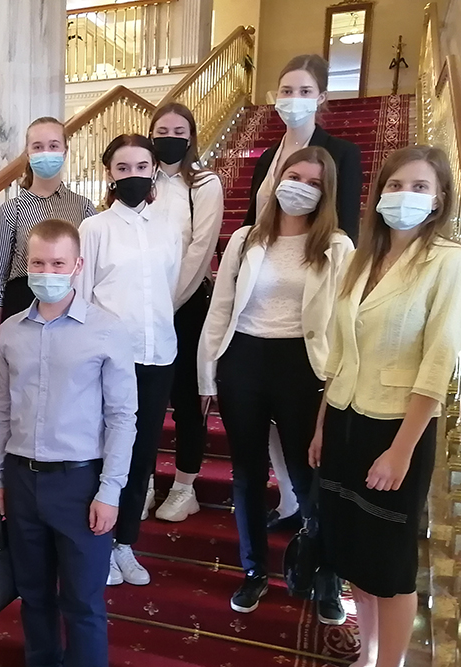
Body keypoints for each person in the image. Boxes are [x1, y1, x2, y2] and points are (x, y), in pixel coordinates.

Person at [308, 146, 461, 667]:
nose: (405, 194)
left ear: (439, 199)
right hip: (346, 415)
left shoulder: (452, 262)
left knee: (389, 561)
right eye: (396, 184)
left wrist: (401, 449)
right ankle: (367, 659)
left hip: (396, 427)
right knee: (352, 550)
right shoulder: (365, 257)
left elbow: (439, 360)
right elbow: (338, 352)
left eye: (420, 186)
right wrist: (323, 424)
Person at [0, 218, 137, 667]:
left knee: (82, 598)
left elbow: (123, 417)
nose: (46, 272)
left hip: (80, 482)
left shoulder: (106, 329)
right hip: (22, 478)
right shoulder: (11, 332)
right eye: (38, 263)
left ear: (76, 266)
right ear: (26, 266)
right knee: (33, 591)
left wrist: (111, 490)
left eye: (57, 263)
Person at [199, 147, 354, 619]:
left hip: (301, 364)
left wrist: (337, 382)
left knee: (307, 474)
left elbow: (344, 322)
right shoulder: (246, 238)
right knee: (247, 473)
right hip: (243, 360)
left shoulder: (337, 247)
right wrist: (207, 373)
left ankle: (325, 576)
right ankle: (254, 571)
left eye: (313, 182)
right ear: (277, 179)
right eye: (294, 176)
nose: (301, 187)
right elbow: (221, 307)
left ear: (325, 193)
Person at [243, 54, 364, 532]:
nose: (293, 100)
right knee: (268, 427)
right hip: (264, 291)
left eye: (304, 91)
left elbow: (345, 226)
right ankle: (288, 500)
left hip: (311, 295)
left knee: (302, 433)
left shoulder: (341, 152)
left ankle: (313, 521)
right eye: (286, 90)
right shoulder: (267, 158)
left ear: (321, 98)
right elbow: (254, 224)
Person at [77, 134, 182, 587]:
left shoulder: (168, 227)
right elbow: (81, 297)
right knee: (104, 451)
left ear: (153, 170)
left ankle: (125, 544)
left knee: (142, 454)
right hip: (108, 359)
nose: (133, 175)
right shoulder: (94, 229)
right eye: (123, 168)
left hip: (157, 354)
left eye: (142, 167)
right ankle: (97, 545)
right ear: (110, 174)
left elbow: (169, 287)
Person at [145, 102, 224, 524]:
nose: (169, 138)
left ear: (191, 137)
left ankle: (184, 487)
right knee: (142, 399)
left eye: (178, 131)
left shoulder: (205, 183)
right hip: (143, 303)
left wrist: (167, 302)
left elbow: (201, 248)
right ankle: (142, 482)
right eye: (162, 131)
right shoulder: (143, 179)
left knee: (186, 399)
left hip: (186, 303)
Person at [0, 117, 98, 350]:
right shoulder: (12, 210)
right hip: (22, 301)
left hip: (70, 302)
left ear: (65, 152)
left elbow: (92, 268)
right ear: (28, 154)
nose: (46, 152)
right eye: (38, 146)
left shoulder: (83, 207)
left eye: (53, 146)